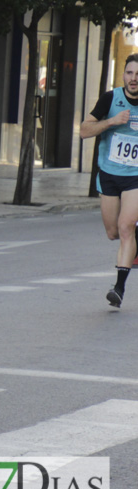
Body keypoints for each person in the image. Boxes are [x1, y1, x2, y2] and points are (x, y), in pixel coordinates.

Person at [79, 52, 138, 308]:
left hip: (135, 177)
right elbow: (83, 130)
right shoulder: (110, 99)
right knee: (113, 232)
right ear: (123, 75)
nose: (134, 79)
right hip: (109, 175)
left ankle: (119, 288)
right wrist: (112, 121)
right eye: (130, 73)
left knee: (126, 228)